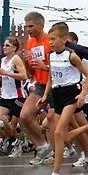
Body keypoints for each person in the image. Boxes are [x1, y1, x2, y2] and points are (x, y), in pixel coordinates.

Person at [41, 24, 88, 175]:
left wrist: (83, 94)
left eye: (53, 39)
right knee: (63, 135)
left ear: (64, 39)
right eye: (49, 39)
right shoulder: (51, 56)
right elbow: (51, 78)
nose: (50, 42)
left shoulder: (71, 56)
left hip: (71, 94)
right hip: (57, 95)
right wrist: (45, 96)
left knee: (58, 133)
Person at [20, 12, 53, 165]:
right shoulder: (30, 43)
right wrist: (27, 61)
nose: (28, 29)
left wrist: (44, 67)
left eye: (31, 26)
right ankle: (43, 146)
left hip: (54, 85)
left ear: (41, 25)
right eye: (26, 26)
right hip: (40, 84)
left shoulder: (50, 41)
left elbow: (60, 66)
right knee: (25, 116)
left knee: (68, 123)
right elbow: (31, 72)